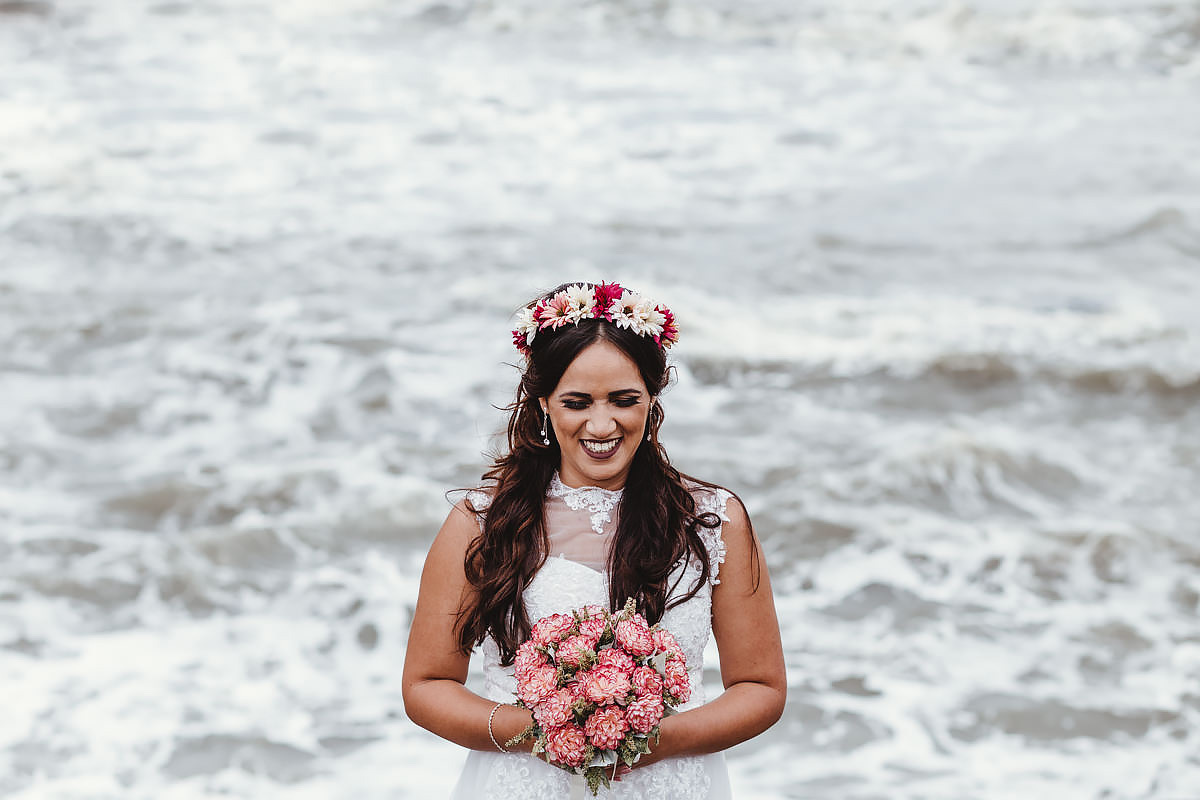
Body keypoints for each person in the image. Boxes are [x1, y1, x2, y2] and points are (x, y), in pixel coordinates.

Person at [402, 282, 786, 798]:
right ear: (544, 403)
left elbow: (761, 688)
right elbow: (427, 685)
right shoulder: (482, 523)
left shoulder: (713, 522)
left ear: (652, 398)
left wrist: (651, 741)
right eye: (577, 402)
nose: (601, 424)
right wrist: (545, 733)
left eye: (624, 400)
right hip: (527, 783)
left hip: (669, 784)